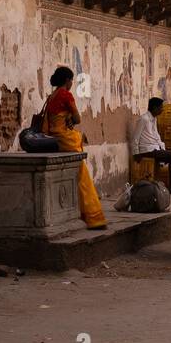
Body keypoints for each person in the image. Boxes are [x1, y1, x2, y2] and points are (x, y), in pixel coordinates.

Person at [45, 66, 108, 228]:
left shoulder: (51, 96)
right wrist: (71, 120)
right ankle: (94, 217)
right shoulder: (66, 94)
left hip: (52, 139)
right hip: (66, 140)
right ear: (67, 80)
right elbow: (78, 118)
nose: (72, 83)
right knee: (83, 178)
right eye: (72, 80)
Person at [132, 97, 171, 191]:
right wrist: (136, 153)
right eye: (160, 108)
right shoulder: (144, 119)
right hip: (147, 150)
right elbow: (136, 137)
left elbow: (156, 136)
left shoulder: (154, 119)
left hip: (155, 148)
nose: (162, 110)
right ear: (154, 108)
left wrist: (163, 148)